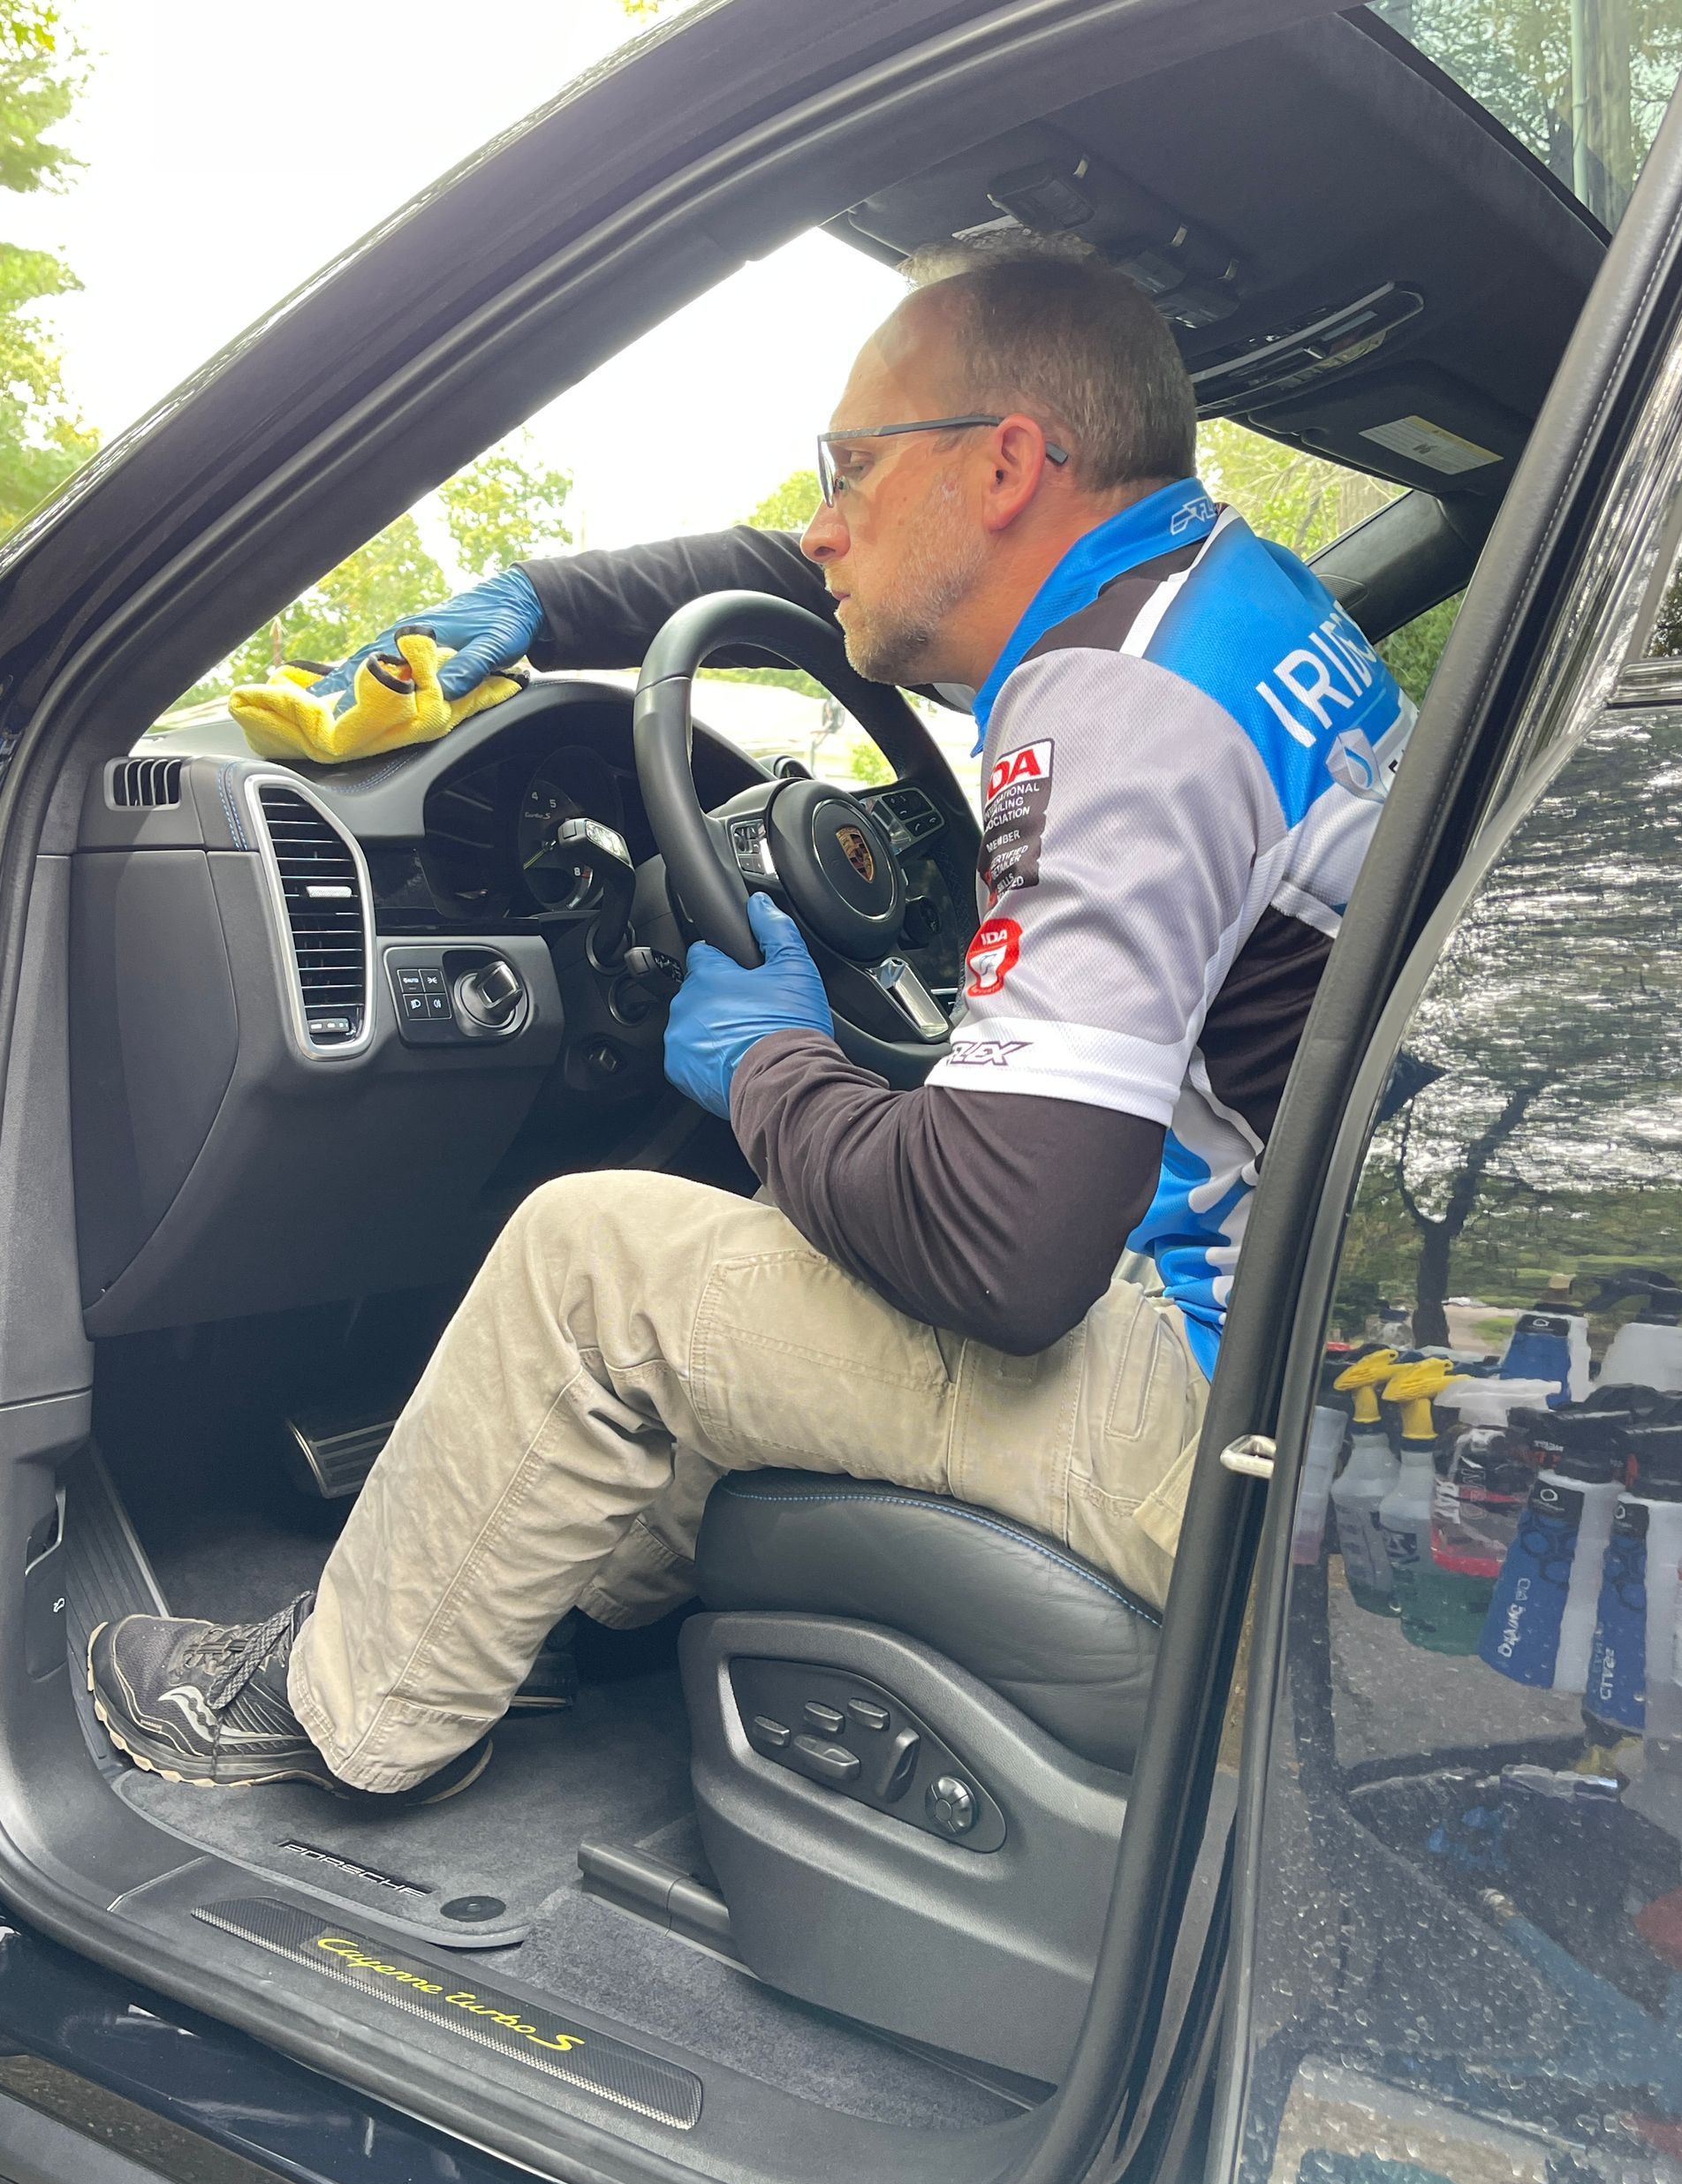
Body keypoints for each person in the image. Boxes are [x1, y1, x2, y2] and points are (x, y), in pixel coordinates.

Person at [87, 238, 1413, 1799]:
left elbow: (1008, 1255)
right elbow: (804, 582)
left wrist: (773, 1061)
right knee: (764, 1235)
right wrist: (538, 603)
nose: (821, 516)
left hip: (1229, 1427)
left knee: (590, 1258)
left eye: (851, 465)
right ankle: (547, 1613)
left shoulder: (1117, 715)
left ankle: (346, 1718)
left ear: (1003, 467)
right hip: (1346, 1382)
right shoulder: (1228, 602)